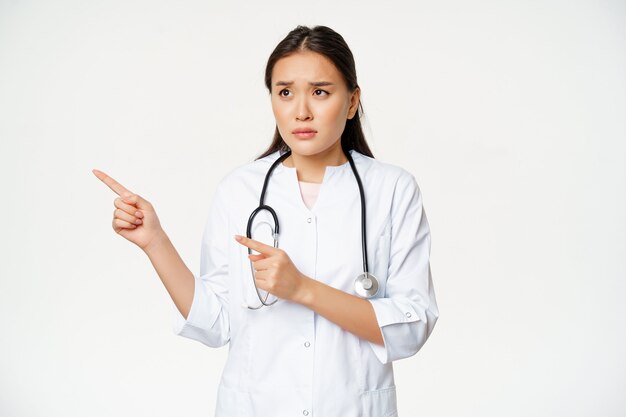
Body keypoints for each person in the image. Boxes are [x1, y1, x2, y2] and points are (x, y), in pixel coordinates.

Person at [93, 24, 439, 417]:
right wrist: (154, 241)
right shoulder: (239, 189)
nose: (301, 111)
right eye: (285, 92)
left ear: (351, 101)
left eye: (320, 92)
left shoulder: (393, 189)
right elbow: (216, 322)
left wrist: (302, 289)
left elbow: (412, 326)